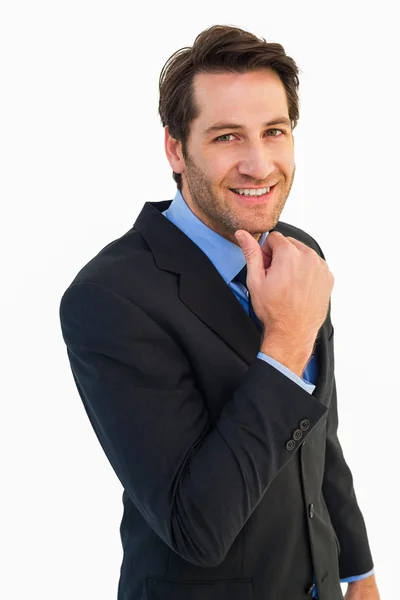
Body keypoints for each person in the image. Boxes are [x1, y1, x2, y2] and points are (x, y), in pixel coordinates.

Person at [59, 25, 380, 600]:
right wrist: (284, 342)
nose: (260, 165)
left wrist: (358, 571)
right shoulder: (109, 299)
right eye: (228, 137)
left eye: (274, 132)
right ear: (176, 149)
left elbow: (318, 435)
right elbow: (195, 527)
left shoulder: (297, 254)